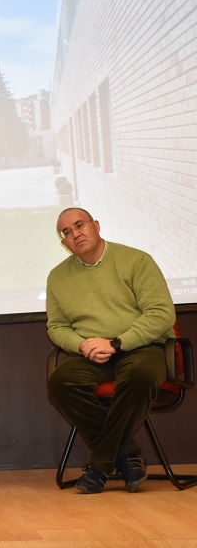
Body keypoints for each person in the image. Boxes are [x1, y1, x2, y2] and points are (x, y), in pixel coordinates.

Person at [45, 207, 175, 494]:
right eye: (66, 232)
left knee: (139, 376)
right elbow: (56, 327)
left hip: (142, 346)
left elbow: (162, 314)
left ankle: (101, 464)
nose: (75, 233)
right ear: (64, 243)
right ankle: (127, 455)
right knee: (61, 383)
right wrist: (81, 345)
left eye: (80, 225)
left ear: (96, 226)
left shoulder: (136, 260)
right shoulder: (58, 277)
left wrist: (117, 343)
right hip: (92, 352)